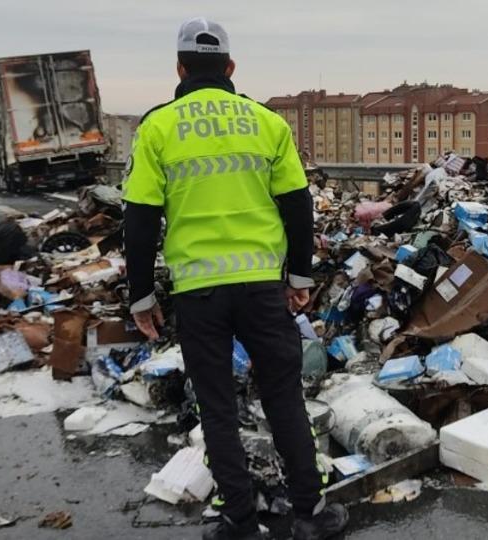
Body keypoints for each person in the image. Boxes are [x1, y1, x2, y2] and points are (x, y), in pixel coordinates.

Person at [121, 17, 349, 540]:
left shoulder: (157, 127)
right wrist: (299, 275)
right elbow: (297, 205)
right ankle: (309, 515)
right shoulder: (267, 123)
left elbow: (138, 217)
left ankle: (239, 522)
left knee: (217, 404)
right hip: (262, 288)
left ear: (179, 68)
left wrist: (140, 296)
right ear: (230, 67)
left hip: (198, 294)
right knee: (283, 396)